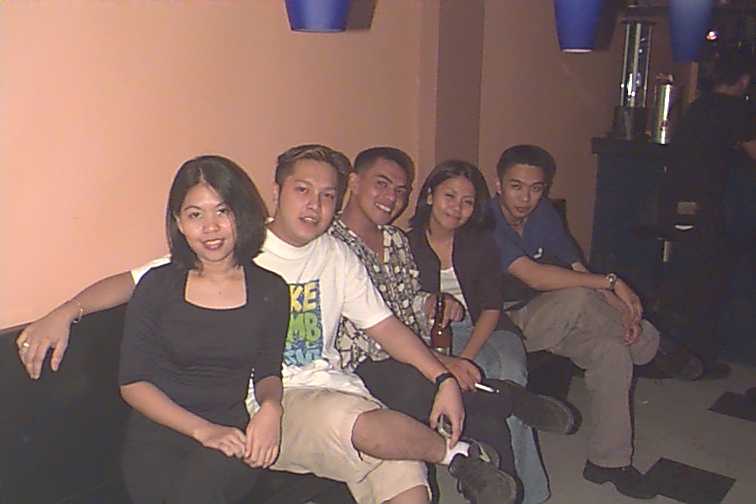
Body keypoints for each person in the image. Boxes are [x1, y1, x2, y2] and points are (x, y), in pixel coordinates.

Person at [17, 145, 518, 504]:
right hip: (272, 405)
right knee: (361, 425)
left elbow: (386, 326)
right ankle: (459, 453)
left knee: (405, 472)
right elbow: (133, 283)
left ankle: (459, 449)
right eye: (302, 190)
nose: (314, 205)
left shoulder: (335, 255)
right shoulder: (233, 248)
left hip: (333, 388)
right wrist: (66, 310)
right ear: (275, 191)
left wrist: (442, 377)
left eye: (327, 195)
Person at [333, 148, 576, 504]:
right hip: (368, 361)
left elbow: (410, 301)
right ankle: (504, 398)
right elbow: (360, 333)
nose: (392, 197)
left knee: (485, 407)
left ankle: (509, 484)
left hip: (414, 347)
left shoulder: (394, 240)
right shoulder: (332, 245)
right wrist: (438, 361)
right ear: (354, 183)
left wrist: (430, 303)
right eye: (381, 184)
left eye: (400, 190)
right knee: (464, 395)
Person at [487, 145, 661, 500]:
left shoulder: (543, 213)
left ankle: (608, 463)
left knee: (612, 352)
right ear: (499, 185)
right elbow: (535, 277)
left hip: (555, 316)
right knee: (578, 296)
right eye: (516, 186)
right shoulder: (485, 222)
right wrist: (612, 283)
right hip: (506, 323)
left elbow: (576, 267)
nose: (526, 198)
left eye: (536, 188)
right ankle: (656, 347)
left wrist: (620, 305)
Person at [121, 155, 289, 503]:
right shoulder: (157, 285)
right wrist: (202, 430)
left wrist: (272, 408)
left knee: (200, 491)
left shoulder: (271, 289)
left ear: (241, 214)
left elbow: (267, 373)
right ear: (179, 223)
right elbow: (132, 383)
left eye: (222, 211)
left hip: (231, 436)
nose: (210, 227)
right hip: (158, 433)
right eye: (195, 214)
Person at [663, 52, 756, 377]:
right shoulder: (734, 109)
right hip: (706, 206)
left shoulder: (699, 106)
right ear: (743, 80)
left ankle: (679, 355)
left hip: (678, 201)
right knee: (706, 283)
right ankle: (698, 361)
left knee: (688, 278)